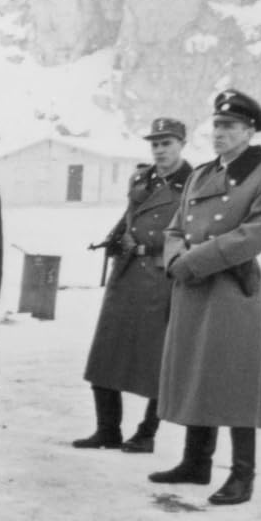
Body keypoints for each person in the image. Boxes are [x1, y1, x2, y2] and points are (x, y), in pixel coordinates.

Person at [148, 89, 261, 507]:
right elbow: (174, 227)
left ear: (249, 131)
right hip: (192, 285)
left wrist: (191, 262)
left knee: (236, 379)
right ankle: (196, 461)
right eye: (217, 125)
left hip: (231, 288)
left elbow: (254, 234)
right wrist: (174, 259)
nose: (220, 132)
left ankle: (242, 475)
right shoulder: (201, 174)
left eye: (230, 126)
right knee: (196, 371)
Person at [74, 117, 191, 453]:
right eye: (155, 144)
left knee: (157, 359)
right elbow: (130, 215)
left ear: (181, 144)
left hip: (162, 275)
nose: (160, 150)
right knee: (106, 351)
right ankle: (107, 429)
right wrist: (116, 237)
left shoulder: (194, 182)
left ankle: (146, 433)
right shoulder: (141, 178)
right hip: (126, 272)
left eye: (166, 143)